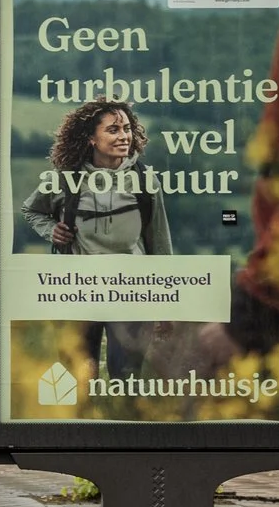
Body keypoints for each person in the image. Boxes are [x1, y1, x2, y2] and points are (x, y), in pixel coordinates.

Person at [21, 99, 171, 378]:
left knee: (126, 378)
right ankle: (78, 424)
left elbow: (160, 243)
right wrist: (50, 230)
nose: (124, 136)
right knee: (76, 378)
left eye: (126, 128)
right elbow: (31, 210)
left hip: (131, 290)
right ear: (91, 138)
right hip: (78, 289)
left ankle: (119, 423)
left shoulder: (144, 179)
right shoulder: (66, 179)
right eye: (113, 130)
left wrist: (166, 304)